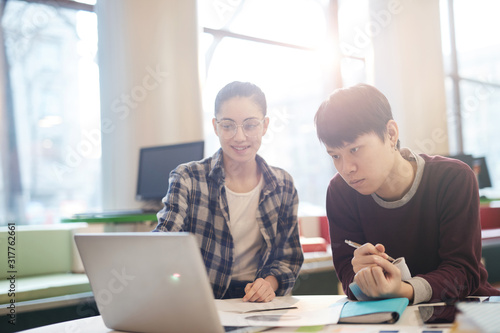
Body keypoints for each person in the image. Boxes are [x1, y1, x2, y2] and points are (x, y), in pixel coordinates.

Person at [314, 83, 500, 304]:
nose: (346, 168)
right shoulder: (340, 192)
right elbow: (348, 279)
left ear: (391, 134)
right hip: (389, 313)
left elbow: (463, 273)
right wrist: (361, 276)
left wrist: (402, 289)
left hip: (465, 309)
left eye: (354, 149)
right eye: (335, 156)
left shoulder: (453, 178)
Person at [154, 81, 303, 302]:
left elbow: (288, 258)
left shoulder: (283, 185)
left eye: (250, 125)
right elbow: (165, 240)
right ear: (215, 126)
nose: (240, 137)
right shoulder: (187, 178)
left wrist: (268, 285)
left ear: (265, 125)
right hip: (200, 299)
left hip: (256, 301)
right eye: (228, 125)